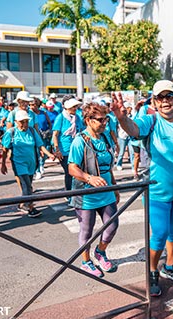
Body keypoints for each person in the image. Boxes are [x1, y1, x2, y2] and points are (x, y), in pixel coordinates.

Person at [112, 80, 173, 297]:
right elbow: (133, 129)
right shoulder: (150, 121)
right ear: (154, 101)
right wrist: (122, 118)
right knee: (160, 233)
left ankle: (170, 266)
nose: (165, 101)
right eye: (160, 98)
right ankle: (152, 270)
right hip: (157, 192)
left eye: (169, 96)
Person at [68, 102, 120, 277]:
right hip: (86, 195)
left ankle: (100, 251)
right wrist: (89, 178)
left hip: (106, 192)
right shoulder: (79, 141)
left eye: (106, 119)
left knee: (112, 225)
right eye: (100, 120)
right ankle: (86, 261)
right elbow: (72, 168)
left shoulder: (104, 138)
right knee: (87, 231)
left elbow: (108, 166)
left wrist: (114, 187)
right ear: (88, 120)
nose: (104, 123)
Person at [1, 110, 55, 217]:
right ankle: (30, 207)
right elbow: (5, 149)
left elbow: (40, 145)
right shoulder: (11, 132)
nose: (24, 124)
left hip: (31, 163)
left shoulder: (31, 131)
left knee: (28, 185)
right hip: (18, 163)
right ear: (16, 122)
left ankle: (22, 204)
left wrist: (49, 154)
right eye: (22, 122)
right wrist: (3, 164)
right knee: (27, 186)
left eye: (26, 121)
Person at [52, 98, 84, 191]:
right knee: (69, 171)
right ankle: (69, 192)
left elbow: (81, 130)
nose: (76, 108)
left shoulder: (77, 118)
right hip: (64, 150)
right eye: (74, 107)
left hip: (75, 148)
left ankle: (76, 190)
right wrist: (57, 150)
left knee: (78, 170)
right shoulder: (60, 117)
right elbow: (55, 134)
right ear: (68, 107)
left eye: (76, 107)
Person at [30, 97, 52, 180]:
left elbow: (49, 123)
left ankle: (42, 164)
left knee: (46, 151)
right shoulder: (30, 114)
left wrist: (49, 130)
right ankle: (38, 170)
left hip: (44, 135)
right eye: (31, 105)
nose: (32, 107)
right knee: (37, 153)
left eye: (34, 105)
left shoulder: (43, 113)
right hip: (35, 136)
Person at [115, 103, 134, 171]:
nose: (129, 110)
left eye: (130, 109)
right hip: (122, 136)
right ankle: (119, 164)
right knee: (121, 151)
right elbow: (116, 126)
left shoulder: (132, 116)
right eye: (128, 108)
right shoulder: (120, 117)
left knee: (132, 152)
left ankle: (133, 166)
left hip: (130, 136)